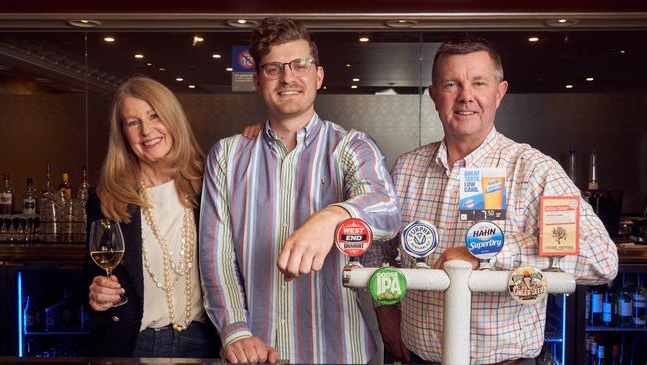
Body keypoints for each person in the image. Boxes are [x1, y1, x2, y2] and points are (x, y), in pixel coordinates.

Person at [367, 35, 618, 364]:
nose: (466, 97)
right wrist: (385, 311)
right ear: (433, 96)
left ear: (499, 93)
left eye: (479, 83)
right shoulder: (407, 168)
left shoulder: (532, 171)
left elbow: (602, 260)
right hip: (418, 357)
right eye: (451, 85)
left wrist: (487, 251)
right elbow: (378, 246)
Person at [199, 17, 400, 364]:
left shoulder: (352, 147)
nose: (288, 77)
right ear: (258, 80)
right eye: (274, 68)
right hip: (258, 353)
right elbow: (216, 258)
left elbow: (387, 209)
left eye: (299, 65)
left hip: (339, 352)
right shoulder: (227, 155)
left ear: (318, 76)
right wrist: (236, 331)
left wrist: (334, 216)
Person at [85, 76, 220, 357]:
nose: (147, 130)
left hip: (204, 342)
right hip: (134, 344)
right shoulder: (106, 198)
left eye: (154, 115)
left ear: (173, 119)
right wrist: (95, 292)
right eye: (133, 122)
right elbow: (92, 274)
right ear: (123, 133)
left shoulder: (212, 183)